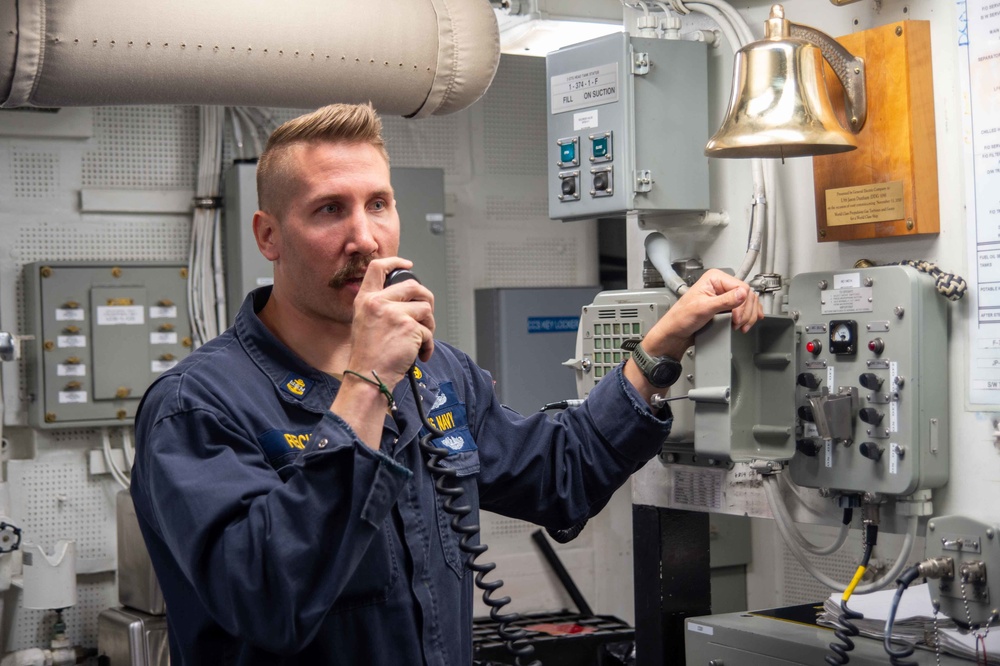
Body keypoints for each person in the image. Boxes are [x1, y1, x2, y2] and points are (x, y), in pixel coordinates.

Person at [130, 102, 763, 665]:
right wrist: (368, 382)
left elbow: (558, 475)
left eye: (378, 204)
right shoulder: (195, 406)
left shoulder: (436, 373)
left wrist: (661, 345)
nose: (364, 237)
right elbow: (268, 597)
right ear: (269, 235)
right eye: (329, 210)